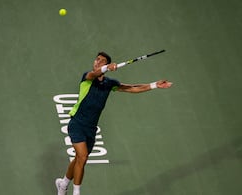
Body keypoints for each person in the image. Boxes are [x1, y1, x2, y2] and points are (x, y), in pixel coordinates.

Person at [55, 51, 173, 195]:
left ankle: (63, 184)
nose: (97, 62)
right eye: (96, 59)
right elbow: (95, 74)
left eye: (102, 61)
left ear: (108, 63)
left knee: (80, 159)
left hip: (91, 129)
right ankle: (76, 192)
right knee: (83, 156)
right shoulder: (87, 77)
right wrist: (106, 68)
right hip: (77, 124)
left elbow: (131, 87)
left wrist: (154, 85)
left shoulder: (110, 84)